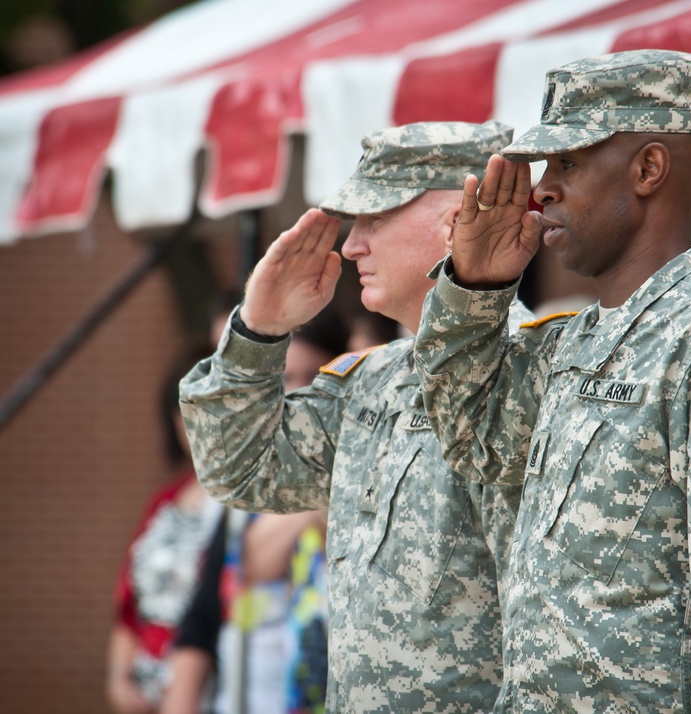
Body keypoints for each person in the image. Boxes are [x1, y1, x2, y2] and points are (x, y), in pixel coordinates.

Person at [413, 49, 691, 712]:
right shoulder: (575, 339)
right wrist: (475, 289)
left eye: (568, 162)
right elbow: (472, 441)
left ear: (648, 169)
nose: (541, 188)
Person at [179, 120, 529, 712]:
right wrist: (257, 331)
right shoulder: (372, 379)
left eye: (376, 219)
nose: (351, 245)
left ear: (455, 221)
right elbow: (238, 471)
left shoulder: (537, 368)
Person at [164, 316, 347, 714]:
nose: (295, 395)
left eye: (310, 379)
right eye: (285, 379)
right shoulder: (245, 484)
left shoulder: (359, 479)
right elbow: (212, 602)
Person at [107, 345, 222, 714]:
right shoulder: (165, 501)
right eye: (183, 410)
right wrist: (118, 680)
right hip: (143, 694)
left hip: (208, 693)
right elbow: (128, 603)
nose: (193, 423)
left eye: (206, 406)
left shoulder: (249, 505)